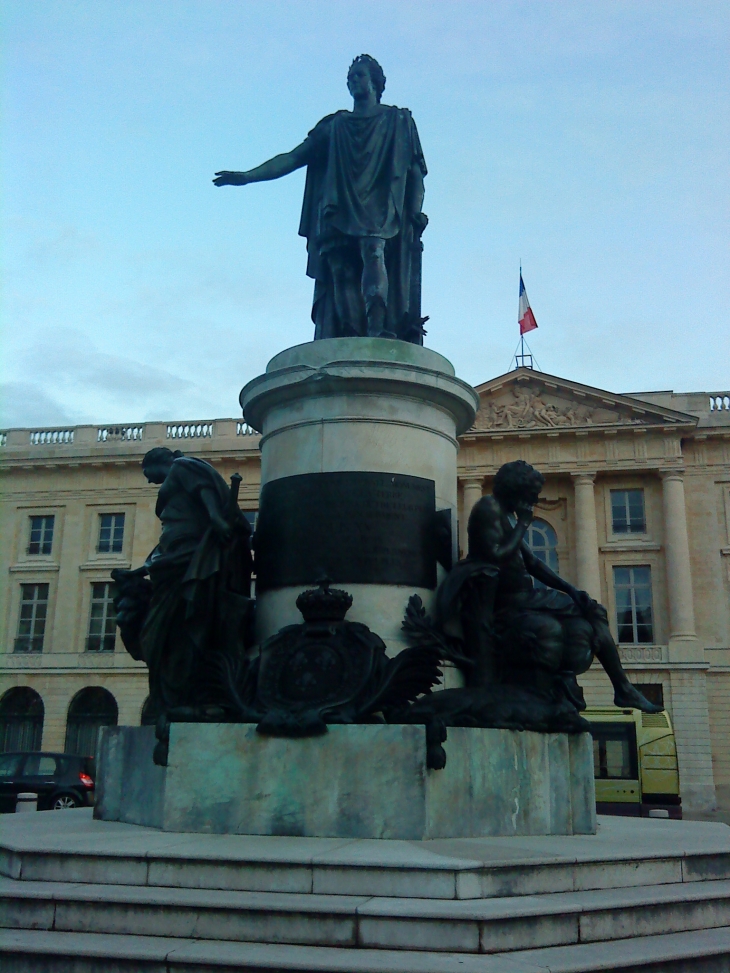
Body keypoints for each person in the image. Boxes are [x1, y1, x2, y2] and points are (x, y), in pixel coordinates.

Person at [213, 55, 428, 343]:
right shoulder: (334, 126)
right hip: (338, 206)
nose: (353, 80)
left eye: (360, 75)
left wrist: (415, 210)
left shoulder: (397, 121)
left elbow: (415, 171)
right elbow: (293, 157)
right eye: (350, 76)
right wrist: (248, 176)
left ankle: (377, 326)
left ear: (375, 82)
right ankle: (349, 335)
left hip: (377, 205)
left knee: (373, 251)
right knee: (340, 269)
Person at [438, 460, 662, 713]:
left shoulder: (502, 514)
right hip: (511, 601)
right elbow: (495, 556)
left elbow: (532, 562)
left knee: (591, 609)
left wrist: (571, 590)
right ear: (517, 489)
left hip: (527, 597)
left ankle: (616, 688)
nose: (532, 503)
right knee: (589, 614)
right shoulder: (487, 508)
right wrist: (523, 524)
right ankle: (622, 688)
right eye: (530, 497)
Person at [112, 448, 252, 717]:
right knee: (162, 634)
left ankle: (185, 687)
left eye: (147, 473)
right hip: (175, 555)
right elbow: (163, 556)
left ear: (158, 462)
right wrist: (138, 573)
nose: (148, 480)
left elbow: (204, 490)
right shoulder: (176, 523)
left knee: (171, 628)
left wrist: (215, 518)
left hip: (184, 554)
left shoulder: (182, 466)